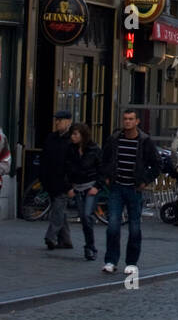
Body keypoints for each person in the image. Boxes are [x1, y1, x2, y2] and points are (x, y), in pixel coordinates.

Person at [100, 109, 162, 274]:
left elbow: (157, 164)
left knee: (134, 226)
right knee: (113, 225)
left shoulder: (144, 141)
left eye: (131, 119)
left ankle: (131, 262)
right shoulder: (115, 139)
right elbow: (104, 158)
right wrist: (107, 176)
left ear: (137, 122)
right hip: (116, 187)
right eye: (125, 119)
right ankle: (111, 260)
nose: (127, 122)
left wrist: (145, 181)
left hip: (134, 189)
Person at [64, 123, 101, 261]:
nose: (73, 137)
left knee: (86, 215)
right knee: (84, 218)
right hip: (77, 187)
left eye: (75, 134)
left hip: (90, 186)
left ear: (83, 135)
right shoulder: (70, 150)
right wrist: (69, 187)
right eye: (72, 134)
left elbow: (101, 169)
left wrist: (97, 186)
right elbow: (66, 169)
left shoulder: (94, 149)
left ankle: (90, 247)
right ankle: (89, 245)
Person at [42, 110, 74, 251]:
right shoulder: (51, 138)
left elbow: (74, 163)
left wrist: (71, 181)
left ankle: (51, 237)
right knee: (60, 210)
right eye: (56, 120)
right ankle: (66, 240)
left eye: (60, 120)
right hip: (51, 179)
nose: (57, 123)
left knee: (58, 209)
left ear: (68, 122)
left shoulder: (72, 140)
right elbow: (45, 158)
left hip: (65, 181)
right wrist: (43, 177)